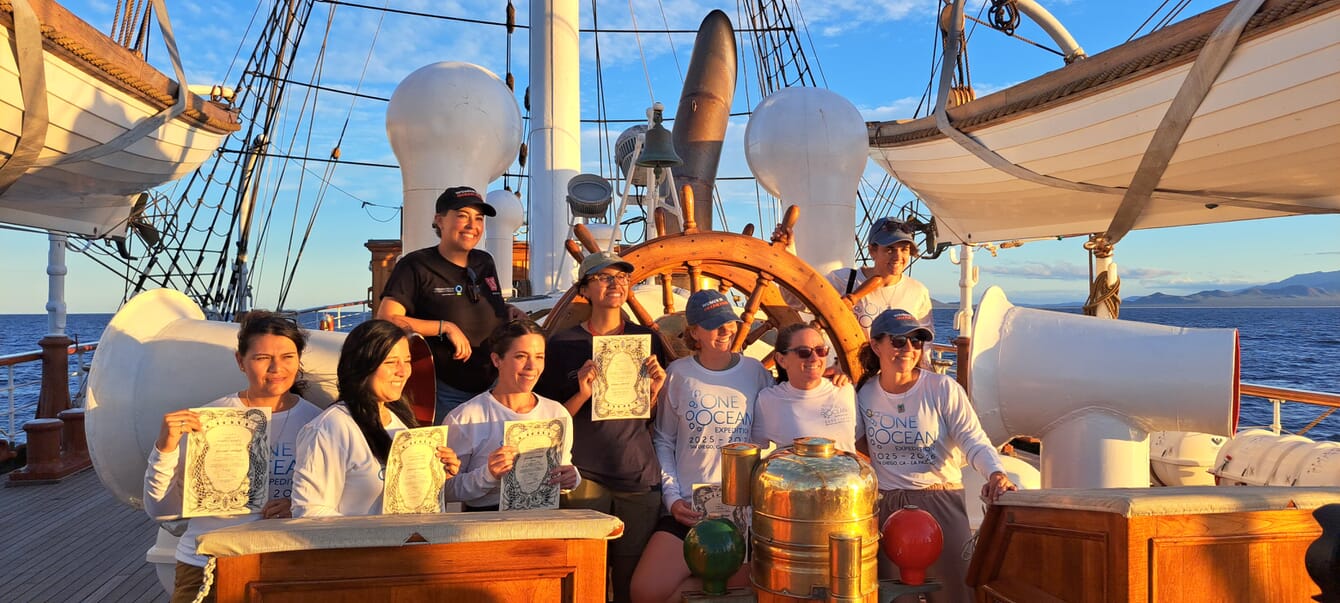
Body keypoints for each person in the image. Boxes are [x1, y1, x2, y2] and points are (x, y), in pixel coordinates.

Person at [143, 311, 323, 603]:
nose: (276, 367)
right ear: (241, 361)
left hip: (284, 564)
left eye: (288, 357)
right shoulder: (208, 421)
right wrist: (165, 448)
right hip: (207, 565)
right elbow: (162, 511)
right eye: (262, 357)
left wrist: (302, 506)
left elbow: (336, 501)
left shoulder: (318, 423)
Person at [855, 309, 1016, 603]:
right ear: (876, 345)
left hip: (940, 502)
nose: (909, 348)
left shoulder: (942, 388)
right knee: (895, 597)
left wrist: (995, 473)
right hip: (887, 507)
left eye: (916, 341)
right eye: (898, 341)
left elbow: (973, 439)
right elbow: (853, 440)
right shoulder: (863, 394)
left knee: (955, 593)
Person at [534, 250, 667, 603]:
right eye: (604, 278)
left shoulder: (646, 340)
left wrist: (655, 391)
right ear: (584, 290)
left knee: (630, 582)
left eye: (621, 277)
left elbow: (649, 417)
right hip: (583, 475)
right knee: (584, 577)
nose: (615, 284)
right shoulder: (562, 344)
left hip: (637, 474)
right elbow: (549, 420)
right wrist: (581, 393)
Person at [630, 290, 773, 603]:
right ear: (694, 332)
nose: (724, 330)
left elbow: (784, 415)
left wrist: (832, 379)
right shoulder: (678, 375)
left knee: (738, 591)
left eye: (729, 323)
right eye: (713, 325)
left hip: (741, 512)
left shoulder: (756, 374)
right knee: (644, 592)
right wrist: (672, 499)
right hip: (688, 507)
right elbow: (664, 441)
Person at [376, 185, 526, 423]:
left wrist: (507, 310)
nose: (472, 225)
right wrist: (444, 327)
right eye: (462, 216)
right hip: (446, 392)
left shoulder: (484, 261)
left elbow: (483, 304)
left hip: (494, 384)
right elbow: (387, 318)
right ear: (440, 220)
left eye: (479, 218)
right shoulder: (416, 265)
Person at [291, 319, 461, 517]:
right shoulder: (331, 428)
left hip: (407, 537)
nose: (403, 371)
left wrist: (435, 477)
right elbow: (309, 511)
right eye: (390, 362)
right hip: (367, 539)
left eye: (407, 361)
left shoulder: (401, 421)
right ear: (361, 365)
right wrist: (373, 530)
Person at [444, 319, 580, 510]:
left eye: (539, 357)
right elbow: (446, 489)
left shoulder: (556, 412)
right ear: (497, 360)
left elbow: (564, 467)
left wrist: (572, 478)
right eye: (521, 356)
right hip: (487, 519)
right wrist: (487, 474)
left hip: (546, 518)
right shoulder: (465, 418)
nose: (532, 366)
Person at [774, 217, 932, 336]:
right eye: (889, 249)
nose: (898, 257)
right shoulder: (843, 280)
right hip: (848, 370)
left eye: (904, 249)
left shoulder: (917, 291)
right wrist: (787, 252)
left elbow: (924, 343)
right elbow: (796, 300)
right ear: (872, 251)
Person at [752, 322, 859, 453]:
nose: (814, 358)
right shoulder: (768, 401)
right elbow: (752, 449)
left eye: (821, 350)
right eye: (804, 352)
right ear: (781, 360)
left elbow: (862, 442)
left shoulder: (845, 390)